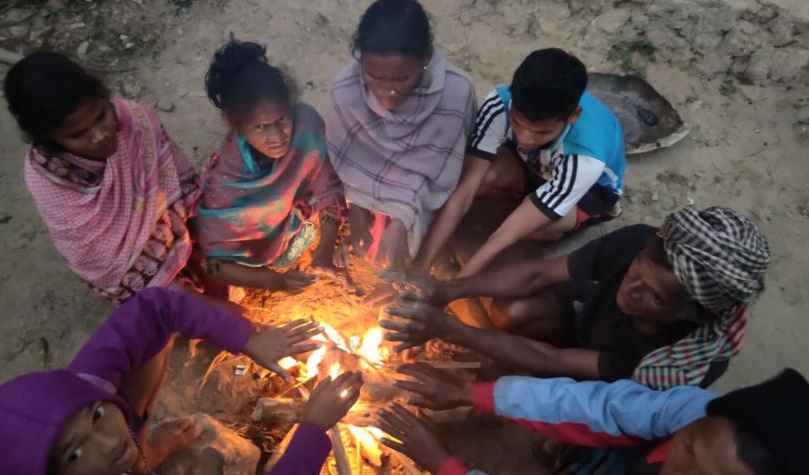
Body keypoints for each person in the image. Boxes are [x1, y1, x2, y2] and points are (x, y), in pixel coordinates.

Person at [0, 288, 363, 475]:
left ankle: (141, 461)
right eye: (74, 454)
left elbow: (156, 307)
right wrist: (312, 430)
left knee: (153, 344)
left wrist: (249, 339)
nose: (108, 440)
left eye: (97, 415)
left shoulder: (83, 387)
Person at [381, 207, 771, 388]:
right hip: (588, 326)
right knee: (518, 289)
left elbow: (552, 359)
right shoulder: (642, 243)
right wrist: (447, 290)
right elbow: (539, 272)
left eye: (652, 295)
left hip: (602, 377)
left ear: (693, 314)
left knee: (553, 389)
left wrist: (449, 329)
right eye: (636, 269)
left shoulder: (667, 365)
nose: (631, 286)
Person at [376, 363, 809, 475]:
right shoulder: (698, 411)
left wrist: (445, 466)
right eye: (688, 448)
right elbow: (594, 406)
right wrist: (470, 393)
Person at [7, 52, 206, 304]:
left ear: (103, 96)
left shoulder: (134, 120)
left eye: (101, 116)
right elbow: (100, 259)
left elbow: (179, 181)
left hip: (171, 221)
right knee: (184, 305)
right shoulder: (49, 182)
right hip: (133, 265)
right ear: (50, 138)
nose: (100, 135)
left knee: (222, 238)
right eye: (78, 134)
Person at [414, 48, 627, 277]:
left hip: (590, 191)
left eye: (541, 132)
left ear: (573, 116)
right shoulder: (499, 104)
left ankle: (561, 226)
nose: (526, 138)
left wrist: (455, 285)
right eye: (517, 123)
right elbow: (465, 188)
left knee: (538, 230)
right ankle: (523, 200)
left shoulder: (586, 156)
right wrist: (420, 267)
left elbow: (506, 235)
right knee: (481, 177)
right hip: (530, 164)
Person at [326, 0, 477, 269]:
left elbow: (442, 176)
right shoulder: (345, 90)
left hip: (425, 199)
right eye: (374, 78)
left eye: (402, 79)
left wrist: (402, 219)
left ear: (426, 59)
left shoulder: (456, 93)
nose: (388, 92)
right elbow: (352, 169)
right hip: (367, 197)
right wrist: (358, 221)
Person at [197, 40, 347, 294]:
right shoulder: (226, 182)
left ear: (290, 106)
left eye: (281, 121)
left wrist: (324, 252)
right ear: (239, 128)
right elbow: (213, 264)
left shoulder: (306, 126)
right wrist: (271, 280)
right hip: (256, 252)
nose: (277, 137)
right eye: (260, 127)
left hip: (294, 221)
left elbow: (327, 188)